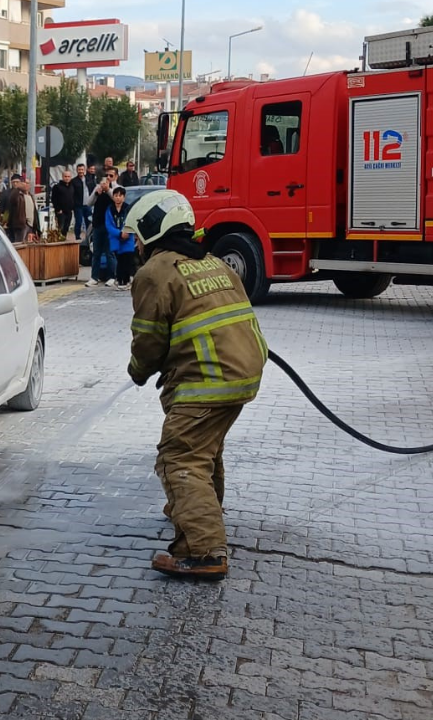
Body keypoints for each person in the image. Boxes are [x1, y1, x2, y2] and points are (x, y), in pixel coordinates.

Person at [124, 189, 268, 580]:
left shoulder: (156, 272)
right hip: (242, 372)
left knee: (179, 458)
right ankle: (196, 519)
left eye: (138, 236)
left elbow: (149, 339)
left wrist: (138, 370)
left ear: (154, 230)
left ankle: (205, 550)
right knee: (203, 452)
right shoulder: (216, 264)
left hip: (207, 380)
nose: (136, 245)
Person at [104, 186, 135, 288]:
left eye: (120, 196)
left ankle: (126, 281)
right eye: (116, 196)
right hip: (116, 239)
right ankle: (120, 280)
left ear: (124, 197)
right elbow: (108, 225)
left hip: (127, 239)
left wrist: (125, 232)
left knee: (127, 259)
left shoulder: (128, 208)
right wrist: (119, 233)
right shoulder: (109, 209)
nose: (118, 198)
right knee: (119, 260)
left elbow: (131, 222)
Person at [5, 175, 39, 243]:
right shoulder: (18, 195)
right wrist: (18, 188)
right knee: (19, 243)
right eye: (24, 183)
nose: (25, 184)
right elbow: (12, 199)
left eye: (27, 183)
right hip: (21, 225)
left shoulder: (30, 196)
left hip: (31, 225)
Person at [50, 168, 75, 235]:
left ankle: (64, 241)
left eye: (68, 176)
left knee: (66, 228)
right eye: (65, 176)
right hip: (61, 212)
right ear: (62, 177)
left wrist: (72, 208)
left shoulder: (72, 187)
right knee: (61, 228)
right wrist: (58, 209)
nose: (67, 178)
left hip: (69, 211)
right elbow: (54, 199)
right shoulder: (57, 187)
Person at [71, 163, 91, 242]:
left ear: (85, 170)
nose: (81, 171)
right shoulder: (74, 181)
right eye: (79, 170)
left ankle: (88, 237)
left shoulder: (89, 179)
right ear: (77, 170)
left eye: (82, 170)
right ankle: (77, 237)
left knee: (89, 222)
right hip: (78, 205)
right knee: (78, 222)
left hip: (88, 205)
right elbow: (72, 194)